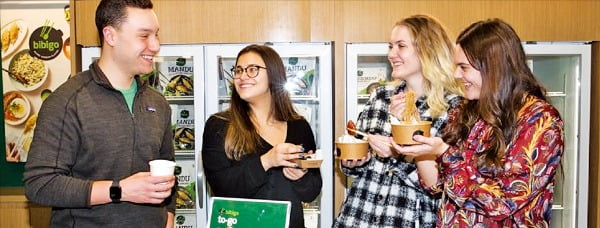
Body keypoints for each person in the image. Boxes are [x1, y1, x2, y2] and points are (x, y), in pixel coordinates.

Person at [394, 18, 564, 227]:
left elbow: (503, 203)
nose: (457, 75)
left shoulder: (539, 119)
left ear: (493, 67)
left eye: (463, 67)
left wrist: (446, 154)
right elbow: (436, 187)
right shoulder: (465, 110)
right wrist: (422, 150)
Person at [23, 0, 176, 227]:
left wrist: (169, 217)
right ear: (110, 36)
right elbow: (40, 184)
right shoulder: (67, 102)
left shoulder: (158, 103)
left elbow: (168, 168)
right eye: (144, 36)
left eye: (156, 35)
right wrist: (119, 190)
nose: (155, 46)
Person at [334, 15, 463, 227]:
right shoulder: (381, 97)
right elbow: (354, 163)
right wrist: (353, 161)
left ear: (428, 49)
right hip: (358, 217)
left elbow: (443, 186)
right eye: (390, 46)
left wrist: (397, 150)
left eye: (401, 46)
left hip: (408, 219)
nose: (391, 54)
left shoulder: (454, 108)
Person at [202, 44, 322, 228]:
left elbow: (311, 191)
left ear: (273, 74)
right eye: (239, 70)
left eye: (252, 70)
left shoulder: (299, 126)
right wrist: (267, 161)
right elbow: (221, 188)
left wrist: (301, 177)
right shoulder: (220, 125)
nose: (242, 76)